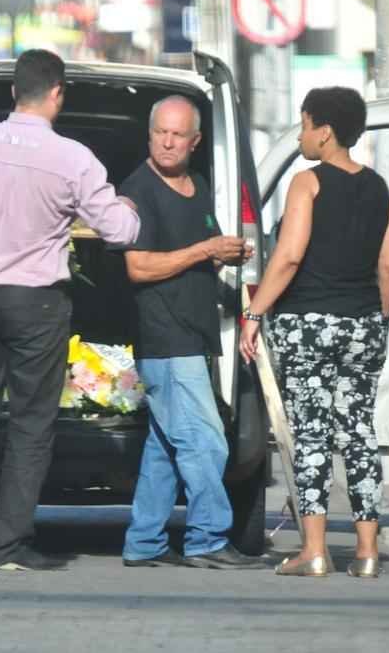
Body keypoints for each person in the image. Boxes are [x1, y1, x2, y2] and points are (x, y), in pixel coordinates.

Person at [0, 49, 141, 572]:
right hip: (36, 303)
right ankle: (6, 547)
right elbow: (120, 232)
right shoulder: (74, 159)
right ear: (57, 93)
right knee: (31, 423)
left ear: (14, 91)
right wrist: (127, 210)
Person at [239, 86, 389, 578]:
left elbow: (288, 256)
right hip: (363, 324)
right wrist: (378, 318)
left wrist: (254, 314)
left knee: (310, 435)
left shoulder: (307, 184)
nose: (303, 135)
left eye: (306, 124)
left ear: (325, 130)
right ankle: (368, 552)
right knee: (359, 433)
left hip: (309, 323)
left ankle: (314, 550)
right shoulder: (379, 188)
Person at [115, 95, 266, 570]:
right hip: (166, 339)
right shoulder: (138, 190)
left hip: (196, 337)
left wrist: (226, 254)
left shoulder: (197, 185)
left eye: (177, 134)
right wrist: (205, 250)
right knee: (205, 441)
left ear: (196, 141)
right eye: (160, 131)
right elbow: (138, 267)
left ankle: (143, 541)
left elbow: (201, 251)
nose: (167, 141)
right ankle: (206, 539)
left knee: (165, 447)